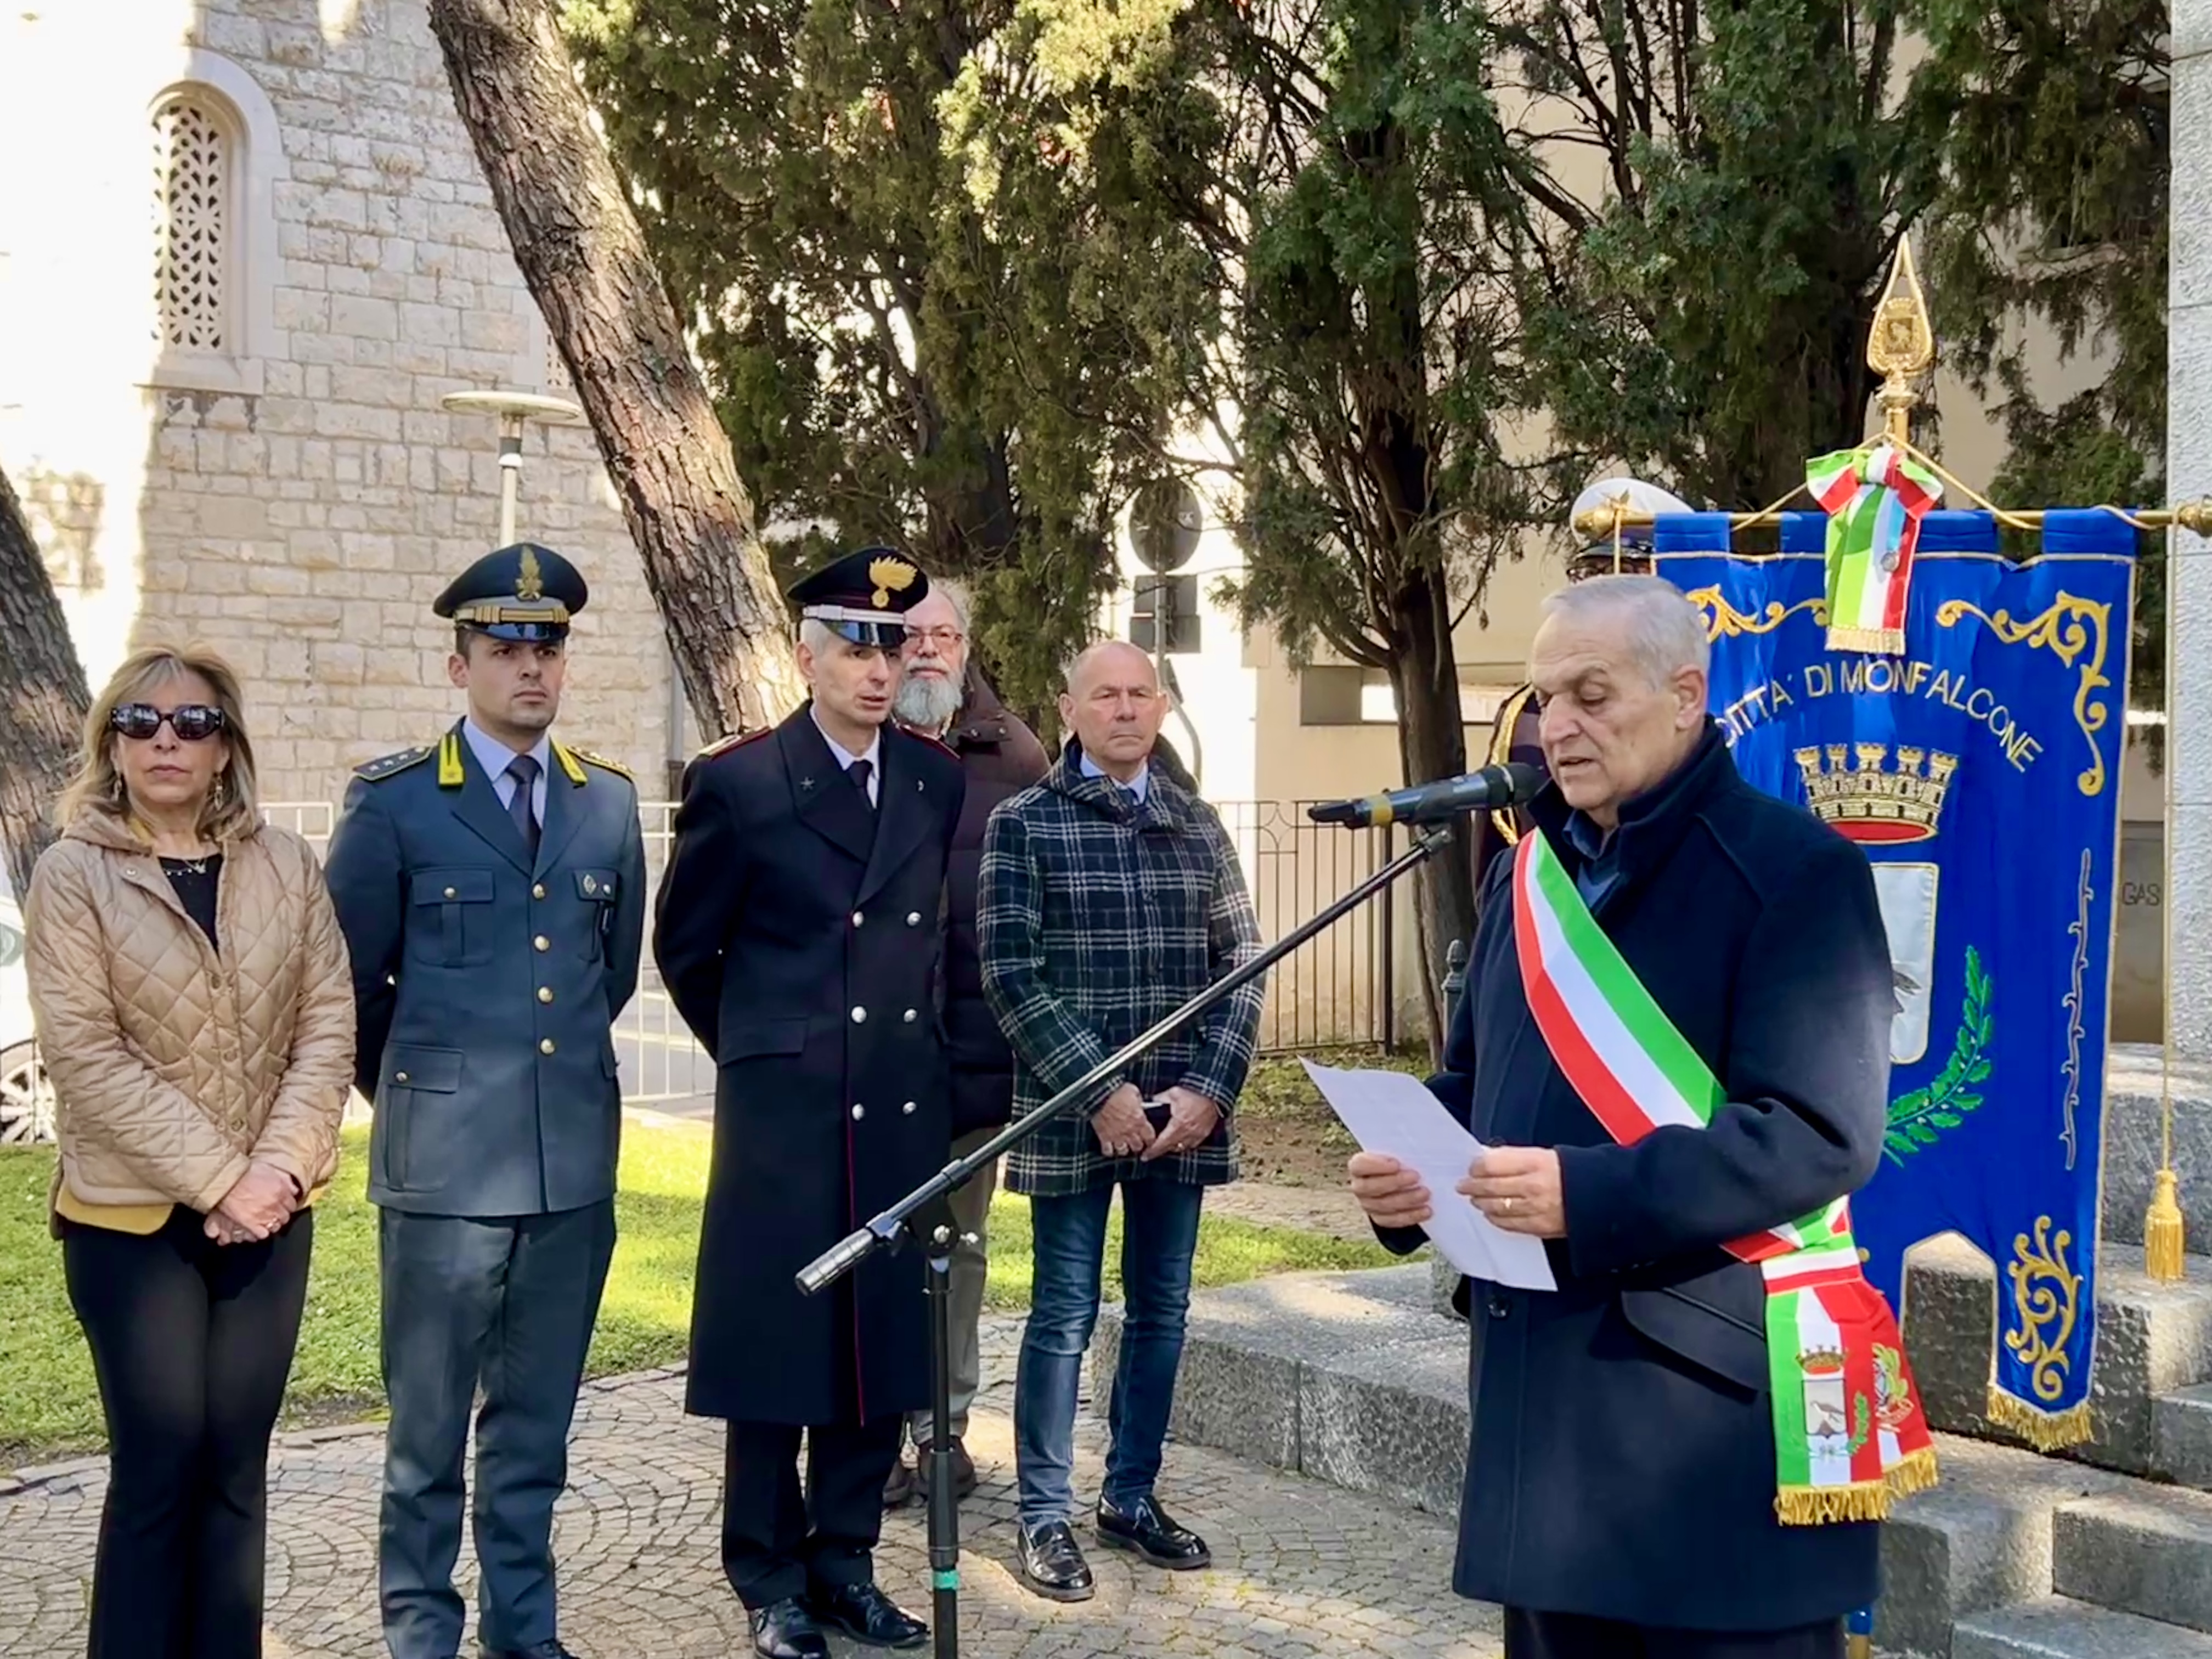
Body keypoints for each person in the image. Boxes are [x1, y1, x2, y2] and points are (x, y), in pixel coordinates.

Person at [1346, 575, 1919, 1659]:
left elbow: (1819, 1131)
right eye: (1543, 697)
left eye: (1591, 696)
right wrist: (1406, 1177)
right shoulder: (1524, 881)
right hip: (1544, 1415)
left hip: (1701, 1430)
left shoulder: (1799, 875)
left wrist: (1587, 1193)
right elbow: (1475, 1084)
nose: (1556, 727)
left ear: (1686, 693)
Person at [322, 543, 647, 1659]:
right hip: (445, 1171)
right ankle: (420, 1633)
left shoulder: (604, 803)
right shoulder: (398, 804)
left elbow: (612, 973)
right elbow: (350, 985)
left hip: (569, 1173)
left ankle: (525, 1633)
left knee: (535, 1433)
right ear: (459, 664)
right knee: (423, 1440)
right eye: (505, 647)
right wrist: (422, 1092)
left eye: (547, 646)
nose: (530, 668)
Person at [654, 547, 966, 1659]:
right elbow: (688, 947)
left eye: (896, 645)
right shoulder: (739, 781)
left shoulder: (933, 778)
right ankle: (768, 1576)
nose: (880, 669)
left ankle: (845, 1564)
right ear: (806, 657)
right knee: (775, 1348)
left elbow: (937, 943)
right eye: (856, 646)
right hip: (785, 1113)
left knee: (875, 1352)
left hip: (895, 1104)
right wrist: (764, 1047)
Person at [22, 646, 354, 1659]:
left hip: (269, 1214)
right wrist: (223, 1178)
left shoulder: (287, 864)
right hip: (130, 1224)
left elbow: (327, 1023)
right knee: (160, 1461)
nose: (168, 737)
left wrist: (279, 1169)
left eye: (194, 722)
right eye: (142, 720)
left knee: (236, 1467)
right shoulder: (72, 874)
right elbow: (86, 1053)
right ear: (111, 744)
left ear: (226, 748)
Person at [978, 640, 1266, 1603]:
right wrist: (1097, 1090)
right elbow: (1010, 974)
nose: (1126, 708)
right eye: (1105, 693)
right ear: (1068, 708)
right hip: (1074, 1114)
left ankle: (1131, 1494)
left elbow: (1242, 966)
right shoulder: (1024, 823)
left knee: (1162, 1311)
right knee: (1062, 1313)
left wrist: (1207, 1091)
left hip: (1180, 1117)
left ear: (1160, 705)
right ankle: (1045, 1512)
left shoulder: (1198, 825)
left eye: (1142, 692)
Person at [880, 578, 1051, 1508]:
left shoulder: (1014, 751)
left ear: (966, 644)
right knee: (878, 1241)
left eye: (945, 634)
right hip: (868, 1055)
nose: (929, 651)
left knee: (960, 1242)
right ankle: (871, 1432)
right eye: (912, 635)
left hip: (970, 1050)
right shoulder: (857, 740)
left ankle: (942, 1429)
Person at [1471, 477, 1683, 881]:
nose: (1592, 593)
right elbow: (1506, 857)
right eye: (1587, 573)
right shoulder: (1530, 710)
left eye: (1618, 575)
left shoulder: (1712, 692)